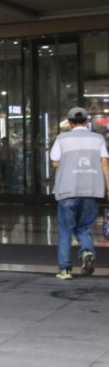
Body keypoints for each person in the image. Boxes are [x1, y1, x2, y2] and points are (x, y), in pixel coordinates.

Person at [50, 106, 109, 280]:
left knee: (65, 231)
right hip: (91, 190)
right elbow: (105, 163)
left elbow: (54, 162)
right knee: (83, 228)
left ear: (69, 122)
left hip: (67, 190)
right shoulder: (98, 139)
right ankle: (87, 253)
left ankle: (65, 270)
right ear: (87, 121)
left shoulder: (62, 139)